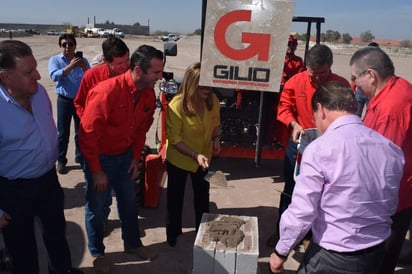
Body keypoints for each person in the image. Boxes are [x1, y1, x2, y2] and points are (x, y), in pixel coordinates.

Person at [269, 81, 404, 274]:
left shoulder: (320, 149)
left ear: (320, 109)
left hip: (333, 257)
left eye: (315, 117)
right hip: (375, 254)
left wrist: (280, 252)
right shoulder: (390, 149)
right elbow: (389, 202)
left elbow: (302, 211)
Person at [0, 40, 83, 274]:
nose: (37, 76)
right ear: (5, 77)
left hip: (48, 181)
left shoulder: (38, 94)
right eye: (28, 72)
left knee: (56, 234)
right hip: (14, 191)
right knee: (23, 250)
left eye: (36, 68)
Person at [79, 44, 163, 273]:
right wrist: (96, 170)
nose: (160, 76)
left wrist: (135, 158)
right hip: (101, 159)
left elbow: (140, 131)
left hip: (125, 157)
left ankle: (133, 244)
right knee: (97, 208)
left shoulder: (147, 94)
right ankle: (97, 253)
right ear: (138, 71)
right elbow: (86, 136)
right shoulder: (106, 92)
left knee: (128, 204)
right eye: (156, 72)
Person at [267, 44, 349, 247]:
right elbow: (284, 108)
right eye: (313, 74)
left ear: (330, 66)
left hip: (330, 149)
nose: (318, 78)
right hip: (299, 145)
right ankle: (282, 232)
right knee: (291, 189)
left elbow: (349, 114)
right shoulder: (295, 82)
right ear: (307, 67)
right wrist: (293, 124)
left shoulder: (341, 85)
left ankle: (309, 236)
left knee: (322, 194)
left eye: (322, 74)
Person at [350, 46, 412, 274]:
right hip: (395, 194)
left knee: (380, 260)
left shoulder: (391, 107)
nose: (355, 85)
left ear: (371, 75)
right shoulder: (392, 90)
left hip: (392, 198)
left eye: (355, 78)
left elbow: (381, 165)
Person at [74, 37, 130, 235]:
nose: (125, 67)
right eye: (119, 64)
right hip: (96, 145)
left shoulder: (131, 79)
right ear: (106, 61)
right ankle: (101, 219)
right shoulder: (92, 76)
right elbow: (79, 103)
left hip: (120, 146)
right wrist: (90, 122)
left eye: (127, 61)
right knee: (99, 190)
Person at [165, 62, 221, 247]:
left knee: (202, 197)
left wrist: (216, 140)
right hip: (180, 159)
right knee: (175, 198)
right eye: (202, 85)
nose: (207, 89)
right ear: (191, 84)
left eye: (209, 84)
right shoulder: (176, 106)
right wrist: (195, 155)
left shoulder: (212, 101)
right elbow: (175, 139)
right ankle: (173, 234)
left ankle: (201, 231)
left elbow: (215, 124)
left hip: (203, 159)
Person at [48, 33, 90, 174]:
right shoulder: (55, 60)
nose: (67, 47)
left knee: (81, 132)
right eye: (64, 44)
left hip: (80, 101)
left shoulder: (82, 60)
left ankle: (81, 157)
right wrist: (70, 67)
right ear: (60, 46)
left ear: (75, 46)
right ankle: (61, 160)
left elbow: (90, 78)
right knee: (63, 133)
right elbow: (54, 76)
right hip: (64, 101)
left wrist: (83, 68)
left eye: (70, 44)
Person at [352, 42, 379, 117]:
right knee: (355, 114)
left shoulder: (380, 65)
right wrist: (353, 87)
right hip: (360, 91)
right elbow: (356, 76)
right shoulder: (361, 62)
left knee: (370, 115)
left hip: (371, 93)